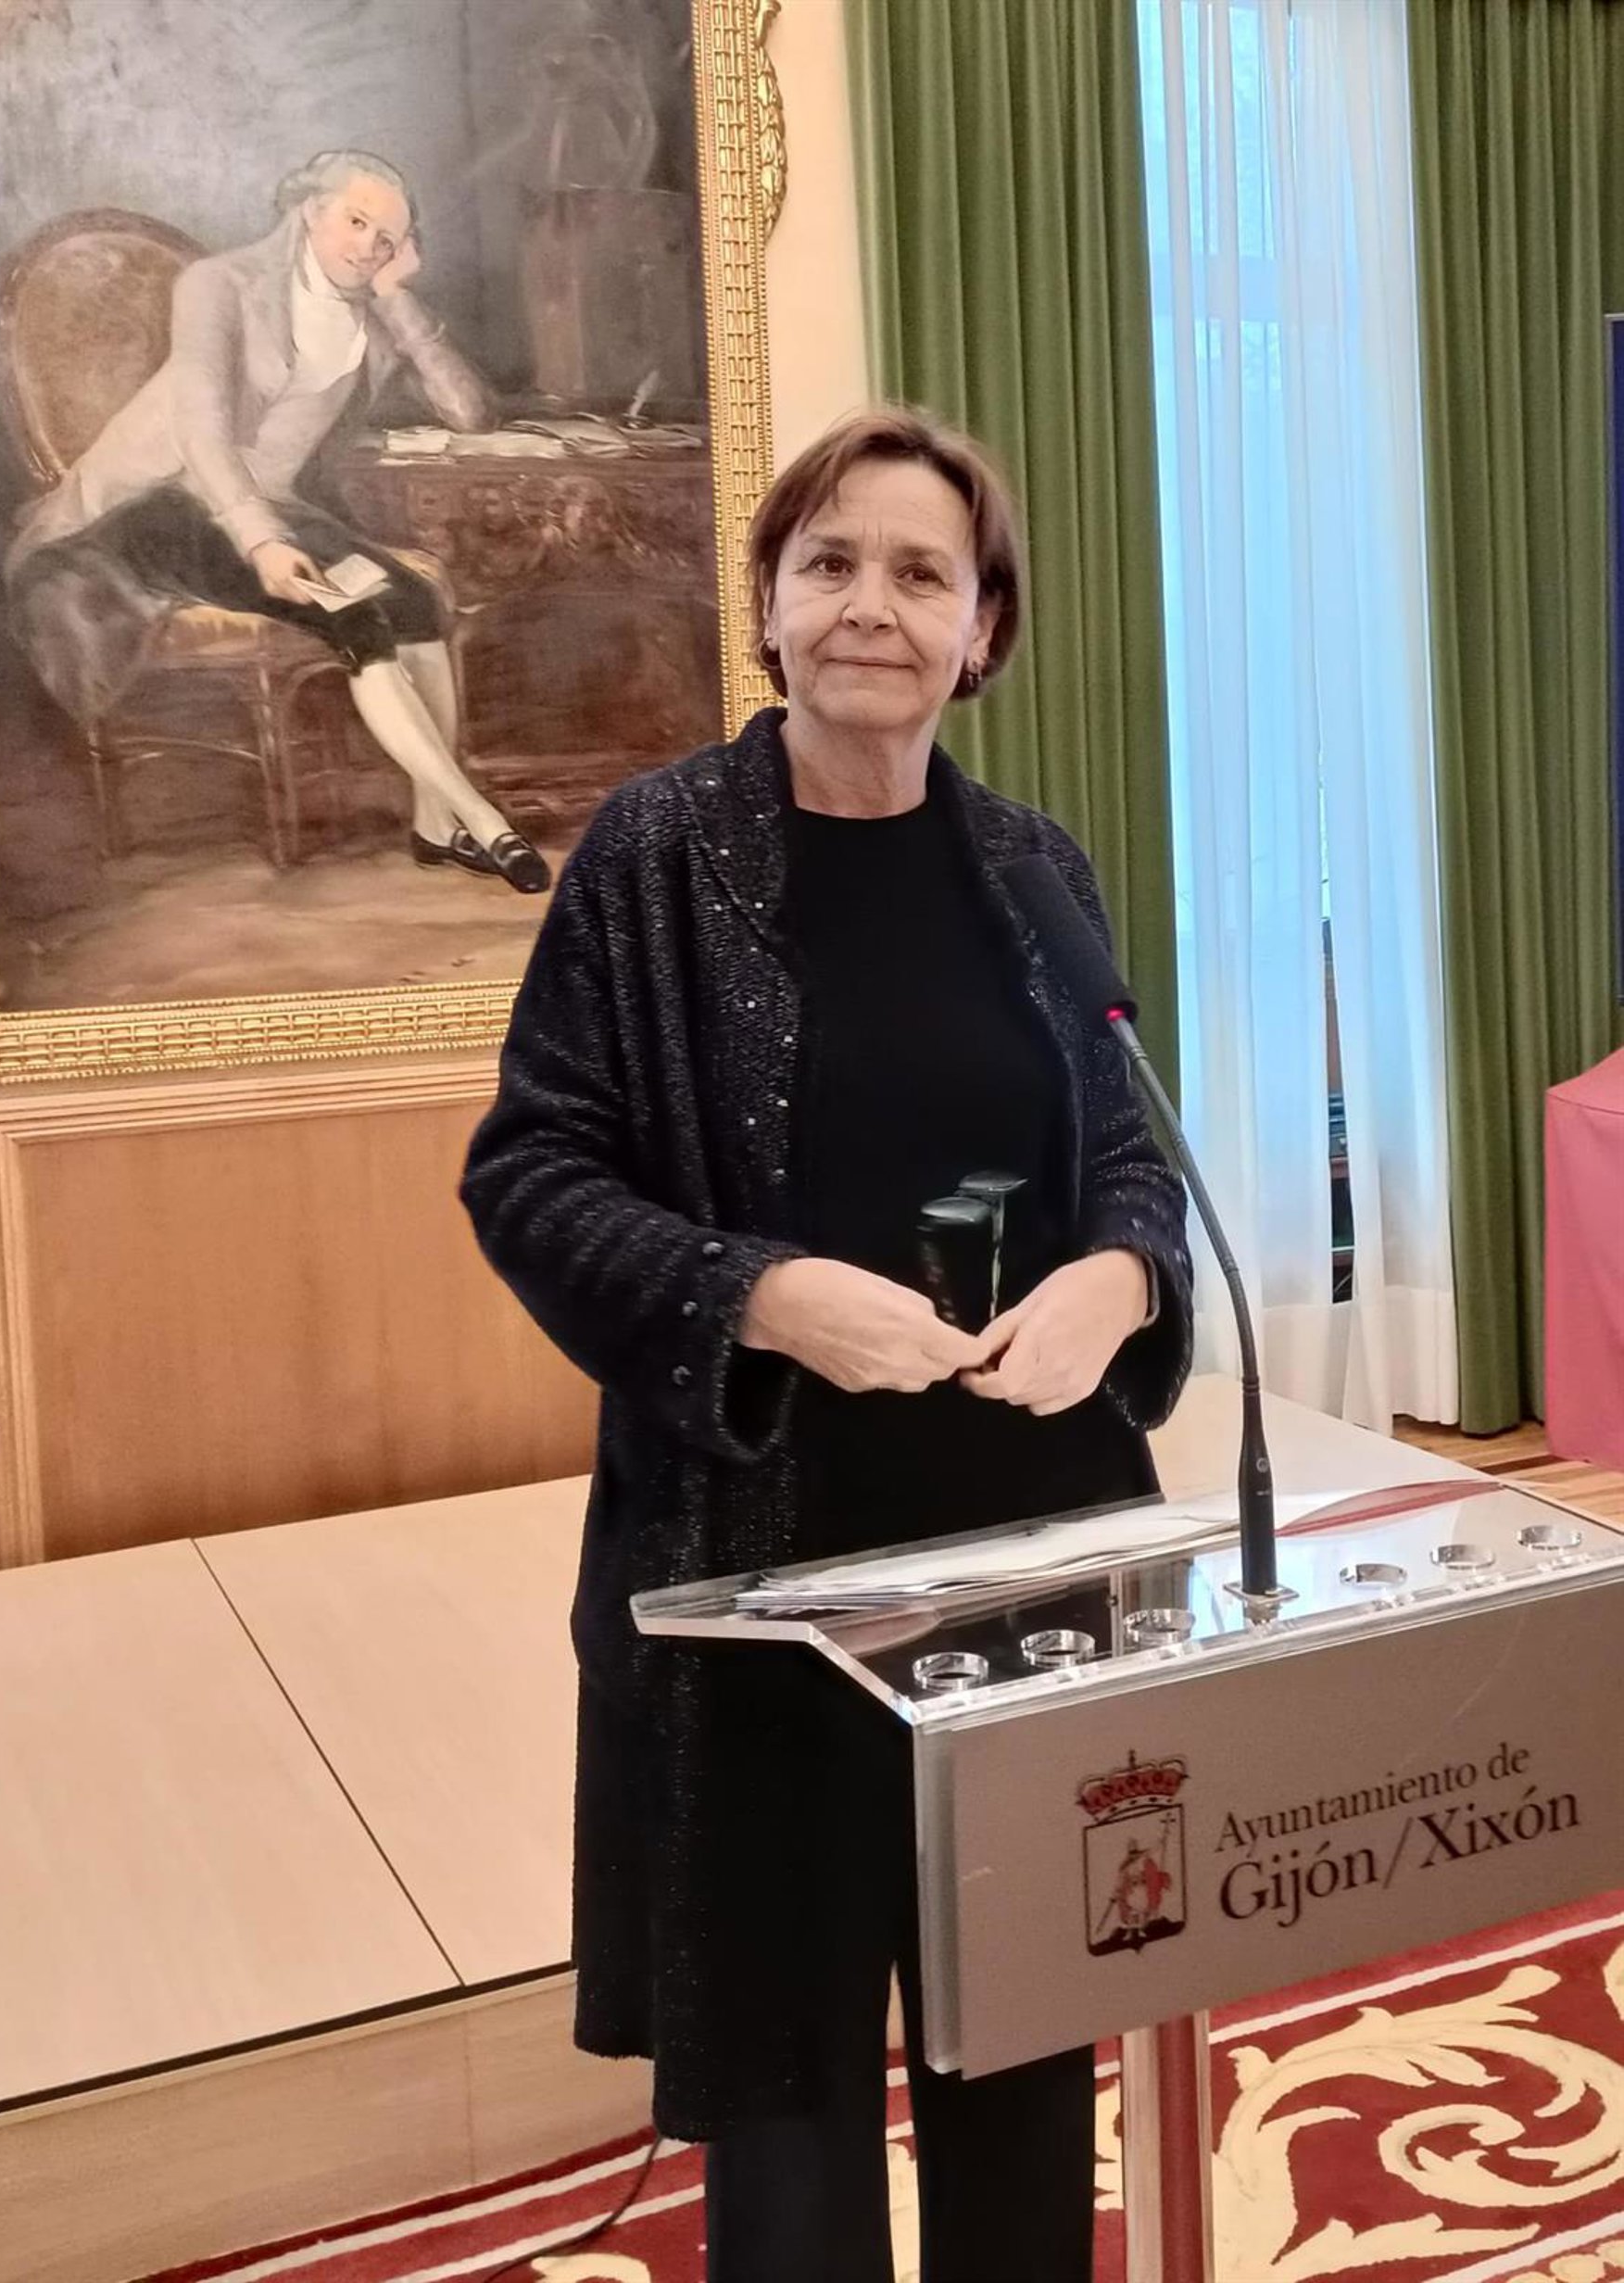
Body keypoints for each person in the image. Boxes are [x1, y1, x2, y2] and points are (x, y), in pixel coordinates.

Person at [460, 407, 1193, 2280]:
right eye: (832, 562)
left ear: (984, 628)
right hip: (762, 1578)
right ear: (773, 604)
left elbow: (1125, 1146)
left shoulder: (1034, 862)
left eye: (922, 571)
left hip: (1030, 1566)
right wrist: (761, 1293)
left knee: (1023, 2053)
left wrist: (1124, 1273)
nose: (874, 602)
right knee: (788, 2107)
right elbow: (529, 1169)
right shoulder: (655, 853)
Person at [7, 149, 549, 892]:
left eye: (388, 239)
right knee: (353, 617)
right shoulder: (219, 284)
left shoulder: (370, 312)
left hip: (269, 504)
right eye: (356, 222)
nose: (369, 246)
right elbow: (201, 431)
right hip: (157, 506)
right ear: (311, 210)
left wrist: (397, 298)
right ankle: (481, 819)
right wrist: (260, 541)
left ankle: (434, 826)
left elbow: (472, 414)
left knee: (418, 605)